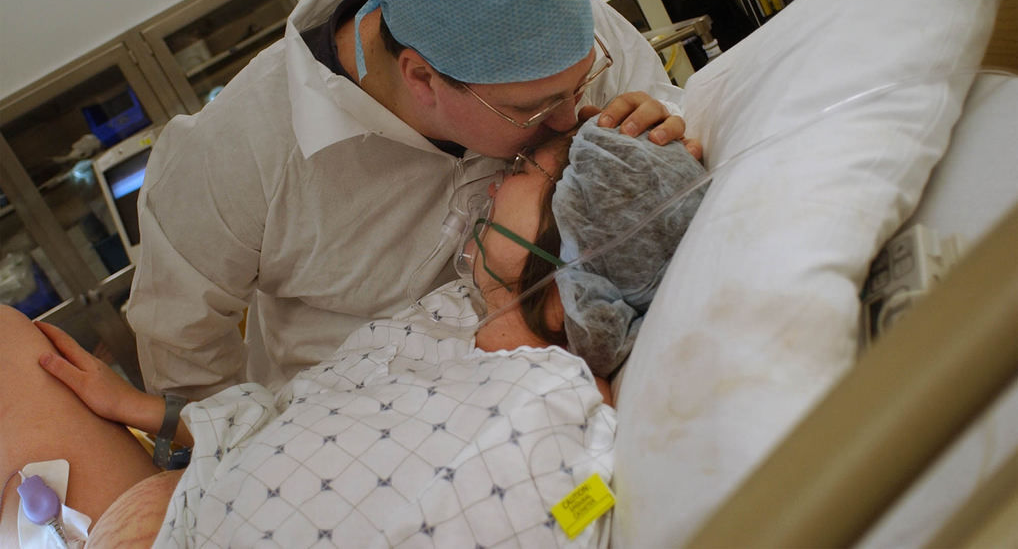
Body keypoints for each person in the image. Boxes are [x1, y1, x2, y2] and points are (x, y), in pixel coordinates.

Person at [1, 120, 707, 547]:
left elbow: (574, 515)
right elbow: (290, 416)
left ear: (573, 252)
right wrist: (148, 412)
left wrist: (602, 449)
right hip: (185, 505)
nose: (497, 182)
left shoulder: (570, 415)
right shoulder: (444, 317)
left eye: (526, 171)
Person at [126, 0, 702, 400]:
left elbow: (667, 136)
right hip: (346, 420)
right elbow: (181, 352)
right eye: (533, 108)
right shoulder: (242, 150)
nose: (569, 120)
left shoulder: (556, 21)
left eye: (581, 84)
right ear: (421, 77)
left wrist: (663, 130)